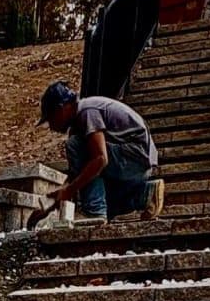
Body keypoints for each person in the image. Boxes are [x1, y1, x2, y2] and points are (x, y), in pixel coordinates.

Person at [34, 80, 164, 223]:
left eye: (52, 120)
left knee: (75, 145)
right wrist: (53, 203)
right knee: (107, 202)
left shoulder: (86, 111)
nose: (52, 127)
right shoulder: (79, 123)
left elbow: (101, 159)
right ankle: (145, 194)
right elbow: (76, 175)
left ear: (61, 108)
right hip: (137, 166)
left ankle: (93, 212)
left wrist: (69, 190)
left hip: (134, 157)